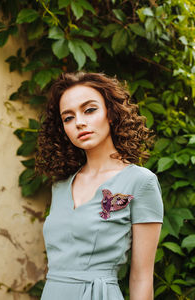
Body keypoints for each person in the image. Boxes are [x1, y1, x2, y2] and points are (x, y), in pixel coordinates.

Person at [35, 72, 163, 300]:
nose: (80, 122)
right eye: (68, 117)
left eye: (89, 110)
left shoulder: (140, 182)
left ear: (111, 114)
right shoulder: (61, 186)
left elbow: (142, 277)